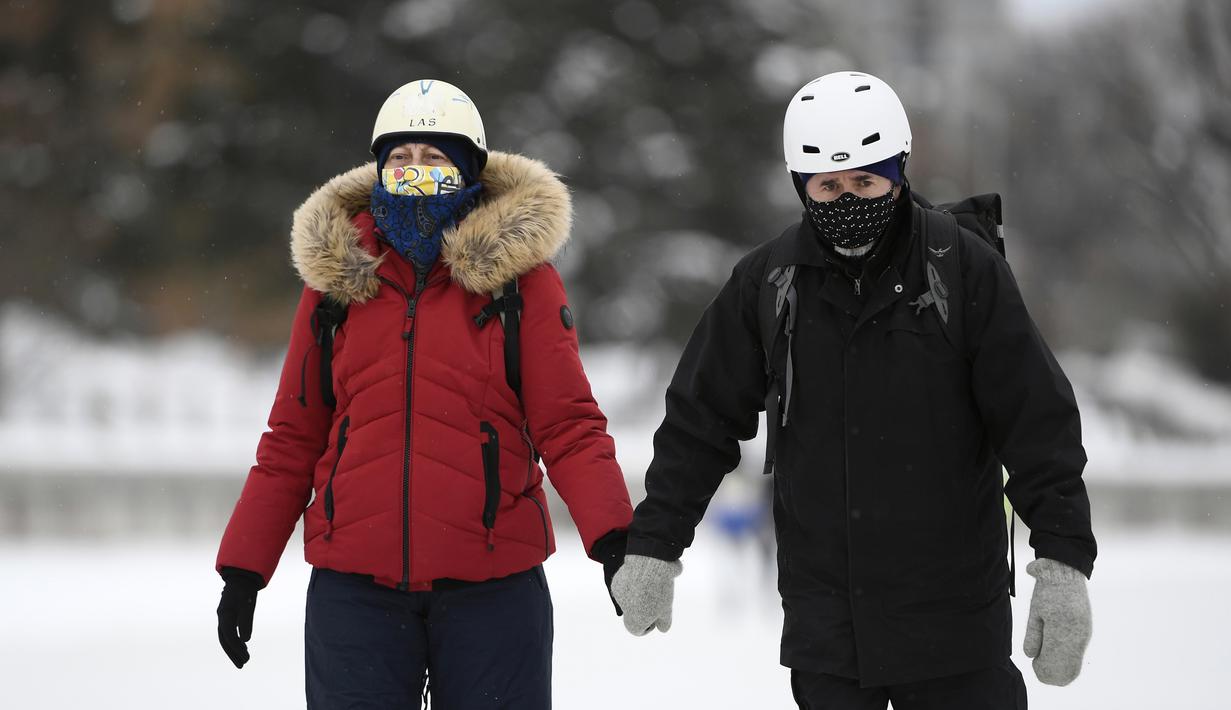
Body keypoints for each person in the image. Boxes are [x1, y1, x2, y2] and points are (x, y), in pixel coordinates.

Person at [611, 71, 1095, 709]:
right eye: (828, 185)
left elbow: (1038, 423)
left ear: (898, 173)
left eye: (865, 182)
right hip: (828, 633)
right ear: (801, 186)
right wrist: (654, 544)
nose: (848, 199)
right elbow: (700, 421)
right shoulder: (768, 282)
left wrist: (1062, 564)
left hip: (955, 627)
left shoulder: (964, 269)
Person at [214, 78, 633, 708]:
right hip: (355, 592)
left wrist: (615, 541)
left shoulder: (521, 284)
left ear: (468, 168)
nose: (415, 171)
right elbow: (293, 435)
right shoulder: (335, 285)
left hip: (494, 588)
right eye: (400, 157)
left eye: (434, 157)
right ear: (379, 168)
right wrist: (246, 569)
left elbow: (568, 425)